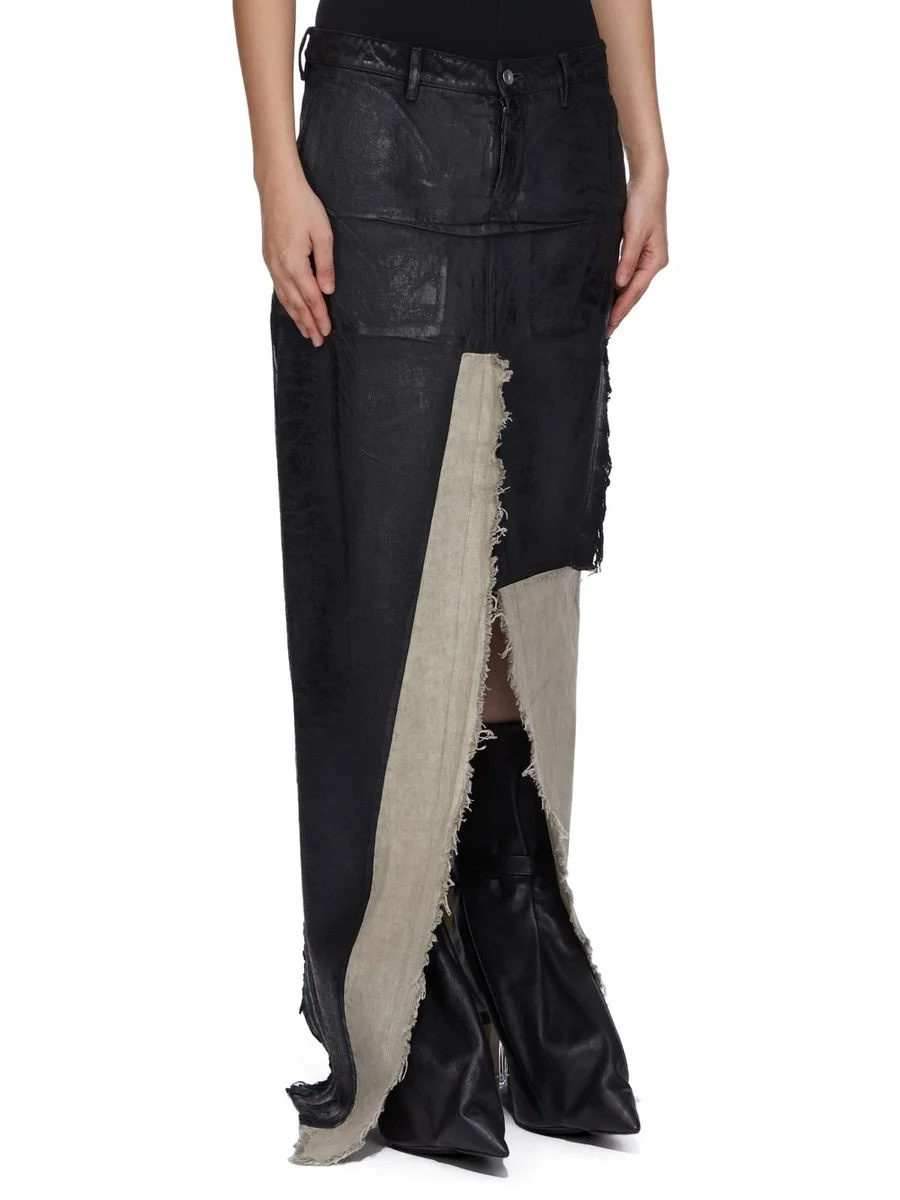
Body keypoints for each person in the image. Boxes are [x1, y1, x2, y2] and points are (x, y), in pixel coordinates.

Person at [234, 0, 668, 1166]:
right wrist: (275, 163)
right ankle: (402, 975)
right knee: (382, 561)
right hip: (384, 117)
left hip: (569, 119)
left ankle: (509, 931)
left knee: (529, 545)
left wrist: (650, 145)